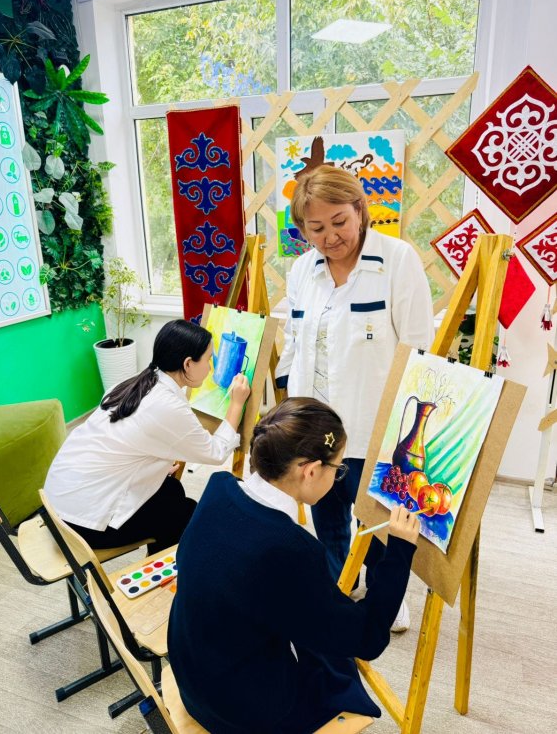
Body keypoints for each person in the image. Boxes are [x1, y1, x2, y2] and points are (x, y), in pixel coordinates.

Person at [168, 398, 419, 734]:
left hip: (192, 675)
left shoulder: (219, 488)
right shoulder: (290, 549)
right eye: (338, 469)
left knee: (314, 633)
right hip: (237, 711)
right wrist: (400, 551)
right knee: (334, 662)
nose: (337, 476)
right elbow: (368, 638)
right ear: (310, 471)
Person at [275, 166, 434, 630]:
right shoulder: (303, 270)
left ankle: (388, 595)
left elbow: (418, 350)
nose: (330, 238)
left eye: (339, 222)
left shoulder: (397, 260)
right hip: (314, 426)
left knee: (377, 520)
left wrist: (407, 429)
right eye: (316, 228)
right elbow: (294, 340)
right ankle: (337, 584)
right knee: (326, 515)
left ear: (360, 210)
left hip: (372, 425)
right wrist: (287, 403)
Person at [44, 319, 250, 554]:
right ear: (188, 364)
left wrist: (155, 466)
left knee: (171, 490)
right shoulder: (168, 405)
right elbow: (216, 452)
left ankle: (160, 559)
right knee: (185, 513)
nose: (211, 367)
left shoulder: (132, 383)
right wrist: (236, 403)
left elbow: (126, 442)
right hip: (80, 526)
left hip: (57, 505)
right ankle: (162, 569)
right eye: (208, 359)